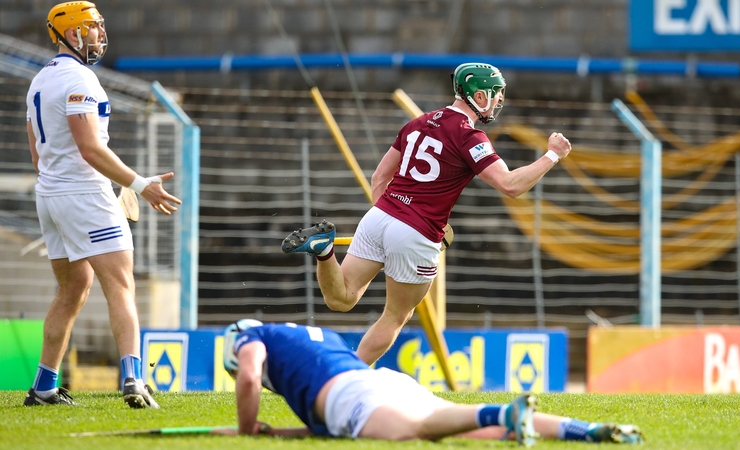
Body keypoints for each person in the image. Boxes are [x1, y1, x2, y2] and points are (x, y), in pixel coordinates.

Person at [282, 62, 572, 365]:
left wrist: (391, 223)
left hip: (378, 216)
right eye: (496, 93)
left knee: (341, 298)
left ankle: (325, 251)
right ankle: (343, 379)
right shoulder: (469, 136)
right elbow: (510, 185)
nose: (499, 100)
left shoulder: (417, 122)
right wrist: (553, 155)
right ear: (479, 94)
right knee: (395, 315)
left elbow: (379, 178)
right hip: (415, 232)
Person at [23, 1, 181, 408]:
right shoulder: (82, 80)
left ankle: (43, 387)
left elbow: (38, 156)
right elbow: (91, 148)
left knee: (72, 288)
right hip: (83, 195)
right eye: (93, 28)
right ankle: (134, 380)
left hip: (51, 196)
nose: (101, 35)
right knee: (120, 286)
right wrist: (140, 184)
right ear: (73, 34)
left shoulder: (39, 80)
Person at [217, 320, 644, 446]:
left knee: (417, 432)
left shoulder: (252, 338)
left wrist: (244, 429)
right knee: (470, 430)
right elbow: (329, 427)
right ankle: (586, 431)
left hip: (354, 396)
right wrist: (281, 433)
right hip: (381, 384)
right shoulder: (312, 338)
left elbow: (251, 376)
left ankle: (505, 410)